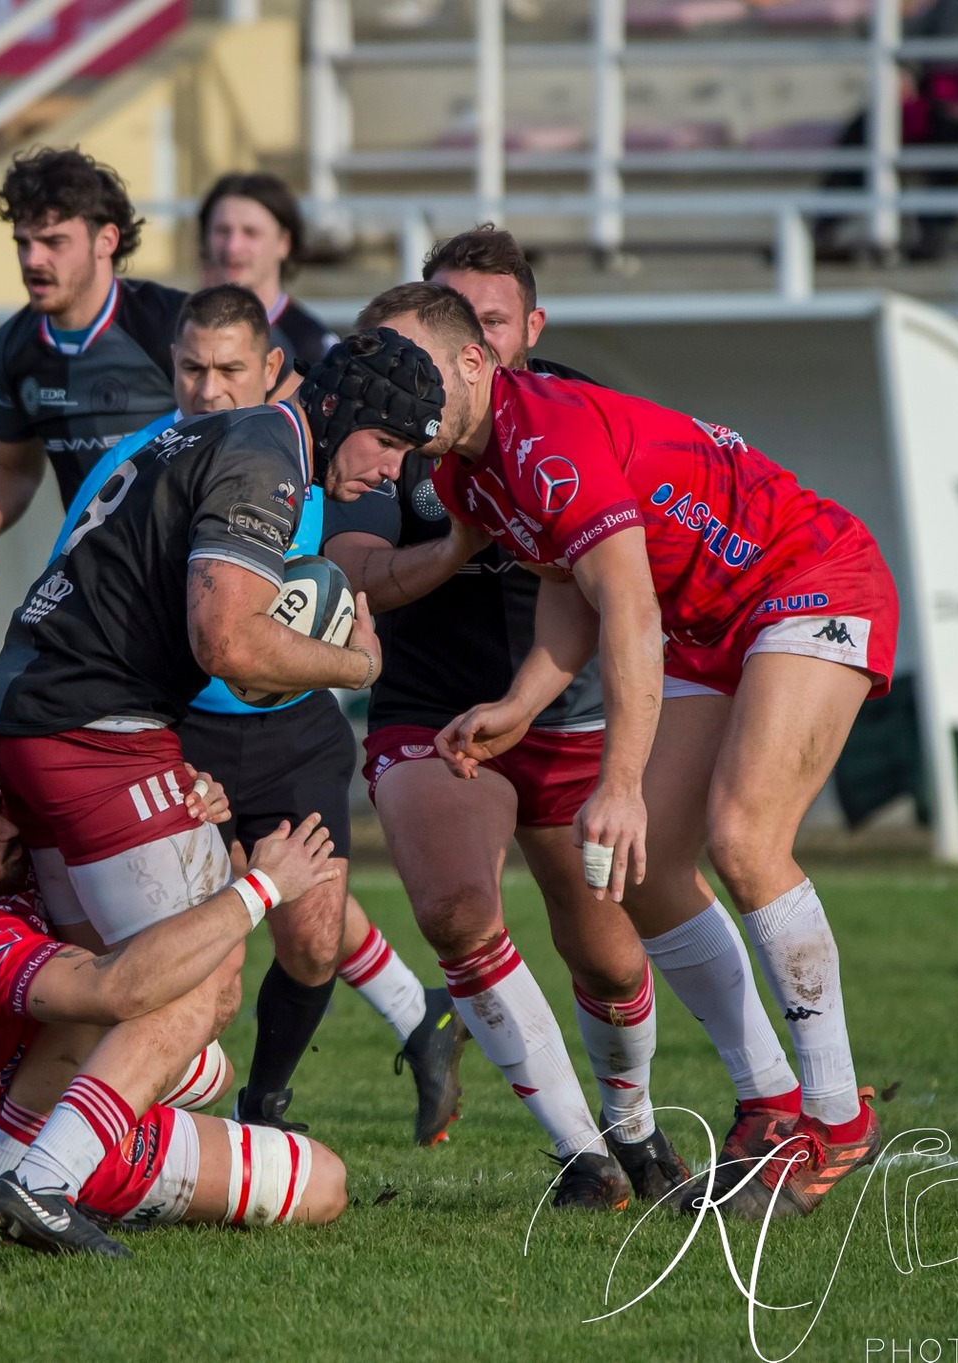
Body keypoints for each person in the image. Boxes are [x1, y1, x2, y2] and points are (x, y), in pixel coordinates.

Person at [331, 281, 895, 1220]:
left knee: (744, 838)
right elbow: (572, 586)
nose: (394, 383)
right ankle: (769, 1104)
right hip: (717, 620)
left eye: (411, 363)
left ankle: (834, 1121)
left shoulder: (542, 435)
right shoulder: (471, 472)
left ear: (477, 361)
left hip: (808, 577)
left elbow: (629, 605)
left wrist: (621, 781)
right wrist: (519, 702)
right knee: (649, 877)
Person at [324, 226, 692, 1208]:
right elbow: (355, 567)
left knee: (611, 960)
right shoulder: (391, 431)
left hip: (562, 709)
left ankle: (637, 1126)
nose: (455, 346)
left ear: (510, 336)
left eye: (484, 322)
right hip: (430, 706)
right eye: (442, 318)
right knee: (454, 912)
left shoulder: (575, 416)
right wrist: (455, 543)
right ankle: (585, 1157)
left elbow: (622, 588)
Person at [50, 283, 463, 1144]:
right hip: (179, 729)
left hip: (293, 727)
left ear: (273, 368)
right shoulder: (151, 455)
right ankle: (111, 1125)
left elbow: (350, 579)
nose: (207, 387)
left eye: (228, 368)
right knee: (202, 947)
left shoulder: (316, 460)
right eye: (191, 368)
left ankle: (263, 1101)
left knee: (312, 935)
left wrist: (358, 630)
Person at [0, 745, 347, 1257]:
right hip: (37, 1123)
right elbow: (115, 990)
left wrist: (186, 814)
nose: (7, 829)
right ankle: (37, 1180)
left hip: (65, 1080)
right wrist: (265, 886)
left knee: (214, 1072)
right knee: (326, 1184)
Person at [0, 146, 187, 591]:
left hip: (187, 573)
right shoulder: (12, 347)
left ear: (106, 241)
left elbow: (261, 421)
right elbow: (10, 465)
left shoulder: (175, 326)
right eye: (23, 242)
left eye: (54, 242)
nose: (33, 260)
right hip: (93, 581)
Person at [196, 171, 337, 374]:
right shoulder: (175, 333)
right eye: (222, 231)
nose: (233, 246)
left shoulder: (313, 347)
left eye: (250, 233)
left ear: (284, 243)